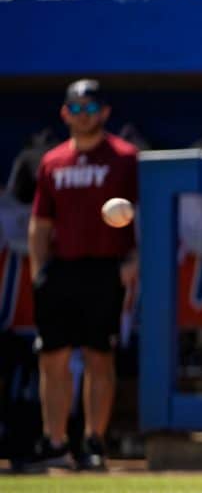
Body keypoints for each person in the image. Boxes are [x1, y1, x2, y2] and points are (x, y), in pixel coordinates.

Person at [26, 79, 138, 470]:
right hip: (61, 270)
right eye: (76, 109)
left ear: (105, 113)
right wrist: (39, 273)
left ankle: (93, 442)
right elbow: (40, 225)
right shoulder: (53, 162)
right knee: (52, 359)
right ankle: (55, 441)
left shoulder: (125, 158)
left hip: (105, 269)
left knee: (99, 357)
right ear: (64, 113)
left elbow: (150, 216)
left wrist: (133, 264)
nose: (83, 116)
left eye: (91, 109)